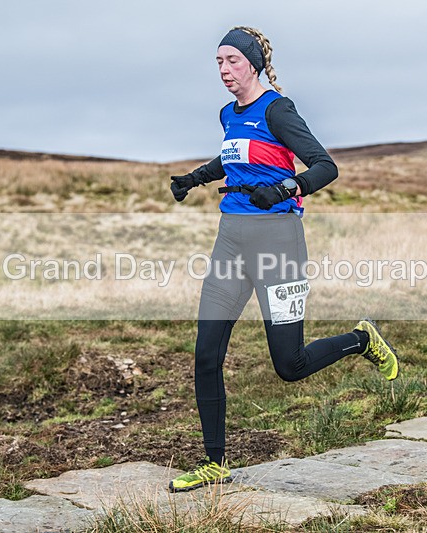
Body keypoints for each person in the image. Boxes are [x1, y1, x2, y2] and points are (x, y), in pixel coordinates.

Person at [167, 26, 399, 493]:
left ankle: (361, 339)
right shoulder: (228, 114)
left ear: (252, 62)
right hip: (231, 240)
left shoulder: (278, 109)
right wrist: (194, 178)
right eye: (218, 62)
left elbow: (324, 166)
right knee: (206, 353)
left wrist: (287, 187)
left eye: (232, 60)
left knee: (288, 365)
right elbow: (232, 158)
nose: (224, 70)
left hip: (278, 241)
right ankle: (215, 462)